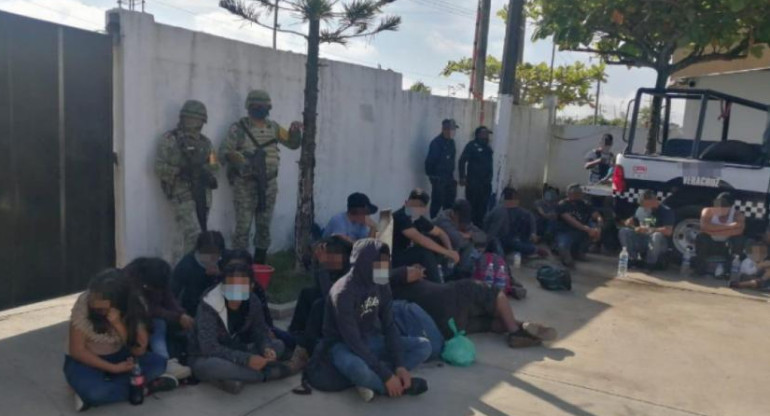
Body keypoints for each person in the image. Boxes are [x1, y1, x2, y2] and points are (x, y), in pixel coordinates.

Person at [324, 239, 431, 402]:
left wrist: (400, 365)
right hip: (343, 346)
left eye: (385, 262)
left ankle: (372, 380)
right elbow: (352, 341)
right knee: (358, 368)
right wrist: (386, 375)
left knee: (424, 346)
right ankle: (389, 386)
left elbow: (389, 325)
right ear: (364, 263)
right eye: (379, 263)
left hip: (372, 339)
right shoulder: (343, 293)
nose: (384, 267)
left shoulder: (381, 281)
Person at [64, 269, 174, 411]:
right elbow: (77, 350)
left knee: (158, 364)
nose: (93, 304)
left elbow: (139, 350)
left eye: (101, 305)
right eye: (92, 298)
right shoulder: (84, 303)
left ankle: (103, 389)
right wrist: (113, 368)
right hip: (88, 359)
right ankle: (143, 389)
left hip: (121, 354)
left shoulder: (135, 305)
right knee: (95, 393)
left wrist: (118, 324)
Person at [187, 262, 304, 394]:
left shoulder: (253, 301)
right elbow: (209, 348)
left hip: (237, 348)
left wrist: (266, 348)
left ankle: (233, 378)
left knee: (278, 345)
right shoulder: (209, 304)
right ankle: (275, 372)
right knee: (213, 366)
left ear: (251, 286)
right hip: (205, 356)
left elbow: (260, 331)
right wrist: (246, 359)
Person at [219, 90, 303, 264]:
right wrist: (241, 161)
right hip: (245, 184)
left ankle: (259, 266)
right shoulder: (239, 128)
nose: (260, 109)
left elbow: (293, 144)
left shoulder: (273, 127)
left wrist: (294, 131)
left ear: (269, 107)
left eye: (263, 106)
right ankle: (238, 267)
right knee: (243, 228)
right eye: (256, 106)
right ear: (249, 107)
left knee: (264, 227)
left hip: (269, 184)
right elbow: (224, 152)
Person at [389, 264, 556, 349]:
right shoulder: (383, 275)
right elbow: (411, 273)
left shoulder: (376, 293)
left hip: (445, 329)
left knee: (488, 324)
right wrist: (417, 269)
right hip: (450, 297)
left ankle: (523, 327)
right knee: (493, 293)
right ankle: (514, 330)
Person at [155, 100, 219, 260]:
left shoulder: (206, 143)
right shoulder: (170, 139)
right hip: (181, 193)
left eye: (196, 119)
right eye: (190, 118)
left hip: (202, 195)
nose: (193, 123)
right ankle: (186, 272)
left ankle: (191, 270)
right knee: (193, 234)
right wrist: (179, 171)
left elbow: (214, 164)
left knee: (199, 233)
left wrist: (206, 173)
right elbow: (158, 166)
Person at [125, 257, 193, 381]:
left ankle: (168, 360)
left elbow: (169, 299)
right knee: (158, 324)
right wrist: (176, 316)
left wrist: (182, 314)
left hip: (154, 317)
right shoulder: (130, 281)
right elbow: (149, 309)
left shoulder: (159, 277)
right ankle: (163, 362)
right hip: (133, 318)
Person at [222, 249, 297, 356]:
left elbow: (263, 320)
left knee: (284, 342)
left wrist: (266, 337)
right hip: (231, 341)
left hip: (254, 333)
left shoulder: (255, 290)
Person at [289, 237, 353, 354]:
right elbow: (319, 286)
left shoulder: (351, 272)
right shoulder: (336, 267)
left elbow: (329, 297)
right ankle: (295, 333)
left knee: (319, 304)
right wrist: (317, 263)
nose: (328, 259)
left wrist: (322, 266)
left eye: (332, 255)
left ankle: (310, 344)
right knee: (307, 293)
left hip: (344, 313)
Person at [391, 189, 460, 283]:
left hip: (406, 254)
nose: (416, 207)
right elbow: (419, 239)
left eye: (420, 205)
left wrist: (450, 250)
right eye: (414, 203)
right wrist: (447, 252)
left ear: (424, 209)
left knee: (437, 242)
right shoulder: (401, 216)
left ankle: (445, 276)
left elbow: (441, 233)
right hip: (392, 259)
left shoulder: (417, 219)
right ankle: (438, 285)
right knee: (424, 252)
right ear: (406, 202)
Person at [171, 231, 226, 317]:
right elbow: (173, 296)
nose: (212, 258)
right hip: (192, 314)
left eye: (216, 254)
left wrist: (220, 275)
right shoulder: (186, 266)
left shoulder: (223, 261)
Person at [618, 190, 674, 269]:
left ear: (652, 200)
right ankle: (632, 258)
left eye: (645, 204)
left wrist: (650, 229)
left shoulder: (666, 211)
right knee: (623, 231)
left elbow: (668, 231)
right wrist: (630, 221)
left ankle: (650, 264)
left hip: (658, 243)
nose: (643, 206)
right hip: (643, 238)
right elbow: (635, 219)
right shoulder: (642, 209)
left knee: (656, 236)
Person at [694, 192, 746, 277]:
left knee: (739, 240)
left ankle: (728, 271)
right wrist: (730, 226)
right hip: (710, 242)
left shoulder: (738, 215)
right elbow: (704, 228)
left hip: (727, 244)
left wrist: (713, 229)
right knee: (701, 237)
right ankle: (700, 269)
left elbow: (739, 231)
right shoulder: (707, 211)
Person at [484, 187, 544, 259]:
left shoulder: (516, 210)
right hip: (497, 240)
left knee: (515, 243)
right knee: (508, 246)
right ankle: (534, 250)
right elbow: (491, 230)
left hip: (509, 238)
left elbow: (530, 216)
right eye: (515, 198)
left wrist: (533, 233)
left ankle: (531, 249)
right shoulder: (500, 210)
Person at [432, 199, 484, 279]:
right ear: (453, 214)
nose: (462, 224)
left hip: (454, 261)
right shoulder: (443, 221)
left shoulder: (463, 221)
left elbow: (482, 237)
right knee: (469, 245)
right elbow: (458, 241)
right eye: (460, 220)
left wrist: (470, 235)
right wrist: (469, 237)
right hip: (440, 261)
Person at [555, 184, 604, 267]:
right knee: (563, 246)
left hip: (581, 232)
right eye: (573, 193)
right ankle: (565, 257)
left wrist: (598, 227)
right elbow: (570, 220)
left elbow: (597, 216)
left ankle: (579, 252)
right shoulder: (562, 204)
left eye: (578, 193)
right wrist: (587, 229)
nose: (575, 195)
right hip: (565, 231)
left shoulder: (584, 204)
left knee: (593, 230)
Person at [459, 126, 494, 226]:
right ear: (479, 134)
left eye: (488, 134)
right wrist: (462, 177)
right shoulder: (471, 146)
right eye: (485, 133)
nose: (487, 136)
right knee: (471, 208)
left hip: (486, 184)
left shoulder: (487, 147)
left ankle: (479, 228)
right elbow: (462, 161)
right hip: (473, 184)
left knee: (482, 209)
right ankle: (469, 227)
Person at [425, 119, 459, 218]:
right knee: (437, 202)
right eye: (450, 129)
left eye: (453, 129)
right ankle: (433, 223)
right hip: (439, 178)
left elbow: (451, 161)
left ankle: (447, 224)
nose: (452, 132)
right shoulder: (436, 143)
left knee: (450, 204)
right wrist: (433, 177)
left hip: (449, 177)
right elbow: (429, 162)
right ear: (444, 129)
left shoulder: (452, 143)